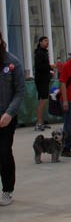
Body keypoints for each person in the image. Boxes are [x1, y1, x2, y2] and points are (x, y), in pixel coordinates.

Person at [0, 34, 25, 206]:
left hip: (6, 117)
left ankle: (7, 190)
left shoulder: (13, 63)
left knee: (4, 153)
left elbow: (20, 91)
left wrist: (9, 113)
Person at [34, 35, 53, 131]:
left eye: (47, 41)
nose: (47, 42)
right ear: (40, 42)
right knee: (42, 101)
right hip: (41, 80)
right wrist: (50, 67)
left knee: (44, 101)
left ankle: (41, 121)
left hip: (45, 79)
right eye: (45, 40)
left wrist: (50, 72)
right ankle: (38, 123)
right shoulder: (39, 53)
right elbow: (39, 67)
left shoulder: (44, 52)